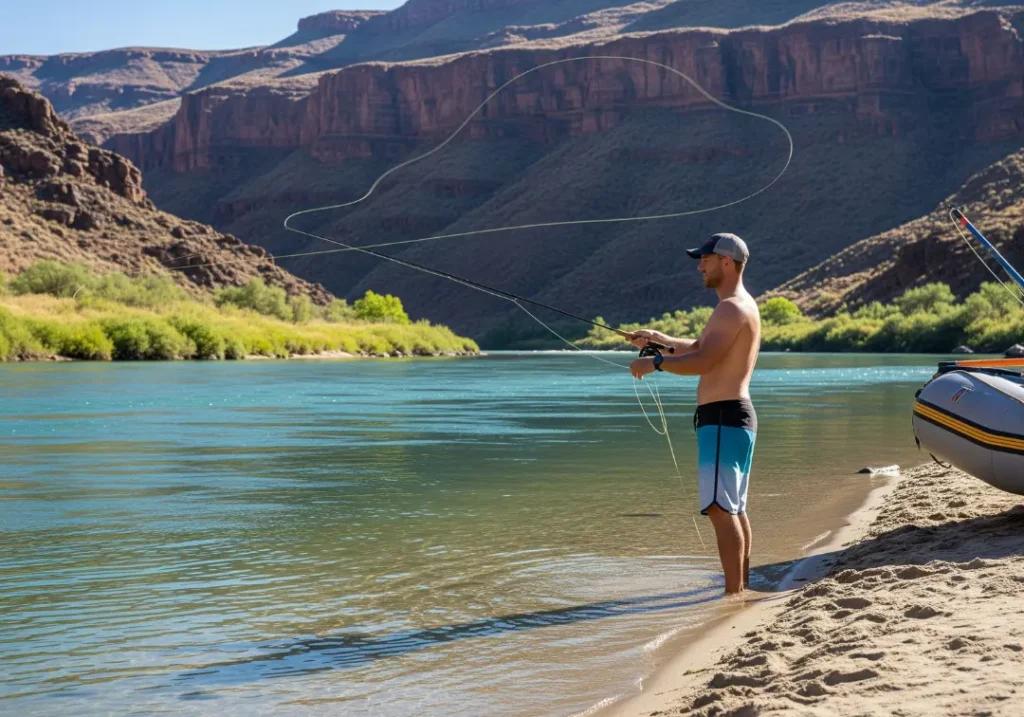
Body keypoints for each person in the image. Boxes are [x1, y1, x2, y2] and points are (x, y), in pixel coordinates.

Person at [629, 233, 761, 594]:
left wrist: (656, 363)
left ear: (726, 263)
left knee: (720, 509)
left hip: (723, 419)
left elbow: (705, 360)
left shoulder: (730, 307)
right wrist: (660, 340)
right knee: (733, 507)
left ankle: (733, 596)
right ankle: (741, 587)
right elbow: (702, 346)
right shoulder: (740, 305)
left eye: (705, 259)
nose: (700, 266)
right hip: (734, 418)